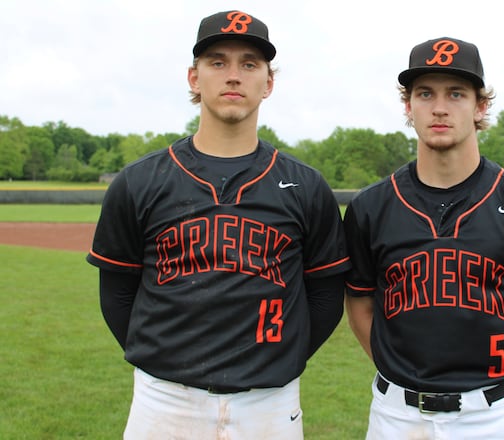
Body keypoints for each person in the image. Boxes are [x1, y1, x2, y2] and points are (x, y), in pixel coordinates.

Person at [87, 10, 350, 439]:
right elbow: (117, 293)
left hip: (270, 401)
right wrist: (164, 361)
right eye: (217, 62)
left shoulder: (304, 186)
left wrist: (282, 358)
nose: (233, 76)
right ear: (194, 78)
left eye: (249, 64)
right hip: (164, 399)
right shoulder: (140, 181)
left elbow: (324, 296)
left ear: (268, 82)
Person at [343, 37, 504, 439]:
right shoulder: (370, 207)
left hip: (492, 419)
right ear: (408, 105)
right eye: (425, 93)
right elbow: (361, 309)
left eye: (456, 93)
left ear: (480, 105)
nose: (439, 107)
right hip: (395, 418)